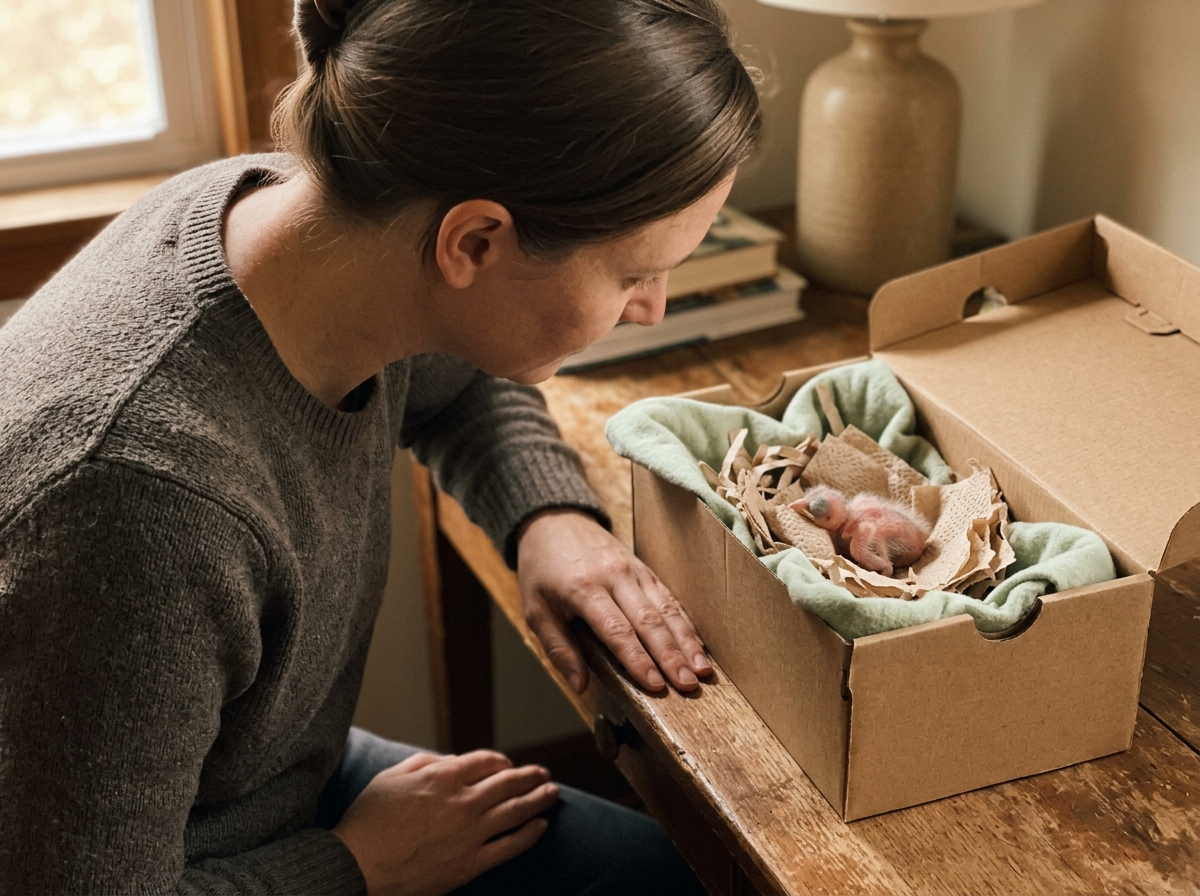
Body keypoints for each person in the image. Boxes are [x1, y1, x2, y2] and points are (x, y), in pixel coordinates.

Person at [0, 0, 760, 891]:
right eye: (635, 272)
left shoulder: (305, 224)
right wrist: (357, 866)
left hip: (262, 783)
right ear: (475, 240)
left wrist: (548, 515)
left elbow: (460, 377)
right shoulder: (140, 510)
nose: (653, 308)